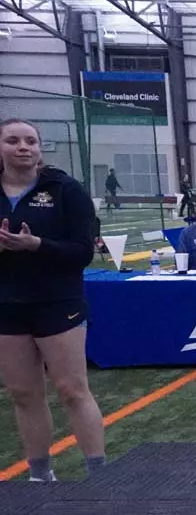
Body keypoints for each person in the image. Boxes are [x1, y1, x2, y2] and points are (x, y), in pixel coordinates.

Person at [0, 118, 106, 481]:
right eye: (13, 140)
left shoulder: (64, 189)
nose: (22, 147)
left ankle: (98, 473)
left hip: (57, 301)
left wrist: (37, 245)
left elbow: (82, 252)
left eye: (30, 141)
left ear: (40, 148)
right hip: (6, 304)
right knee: (22, 393)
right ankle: (40, 474)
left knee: (72, 389)